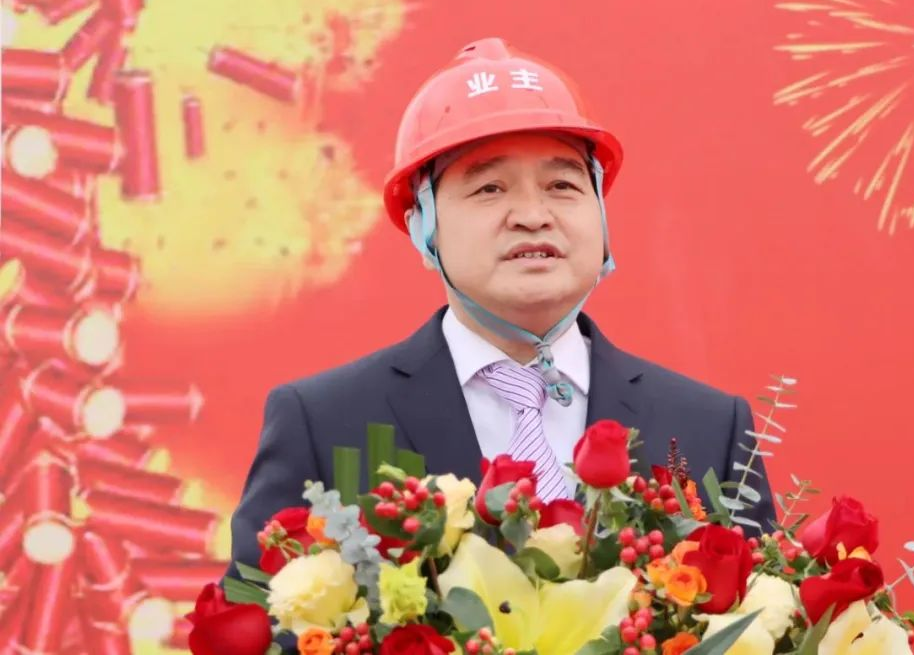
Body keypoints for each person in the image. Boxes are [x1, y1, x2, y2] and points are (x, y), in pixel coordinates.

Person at [226, 38, 775, 581]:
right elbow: (259, 611)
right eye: (489, 188)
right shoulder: (323, 423)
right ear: (422, 225)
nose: (532, 215)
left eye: (562, 184)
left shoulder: (710, 426)